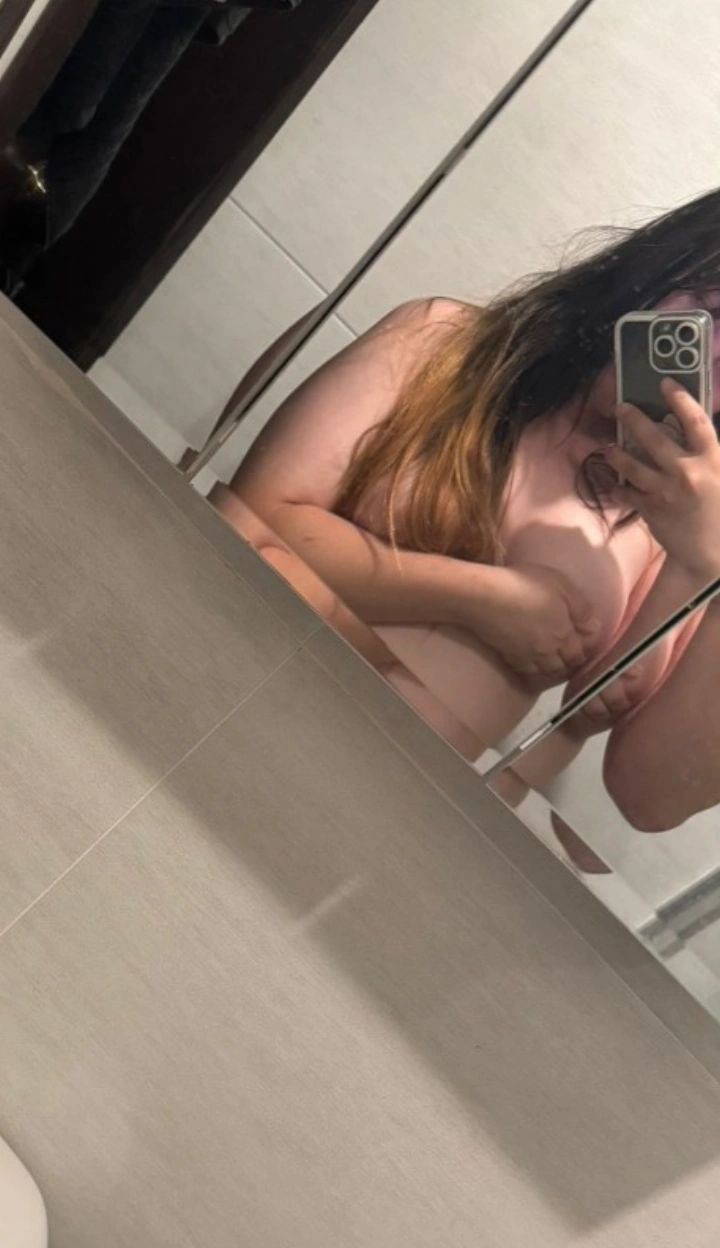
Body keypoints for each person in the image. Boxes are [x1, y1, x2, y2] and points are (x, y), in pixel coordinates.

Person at [209, 187, 720, 847]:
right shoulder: (443, 344)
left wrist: (700, 565)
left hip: (376, 812)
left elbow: (628, 770)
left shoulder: (666, 527)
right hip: (226, 670)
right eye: (708, 314)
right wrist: (487, 600)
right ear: (658, 268)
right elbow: (248, 519)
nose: (702, 366)